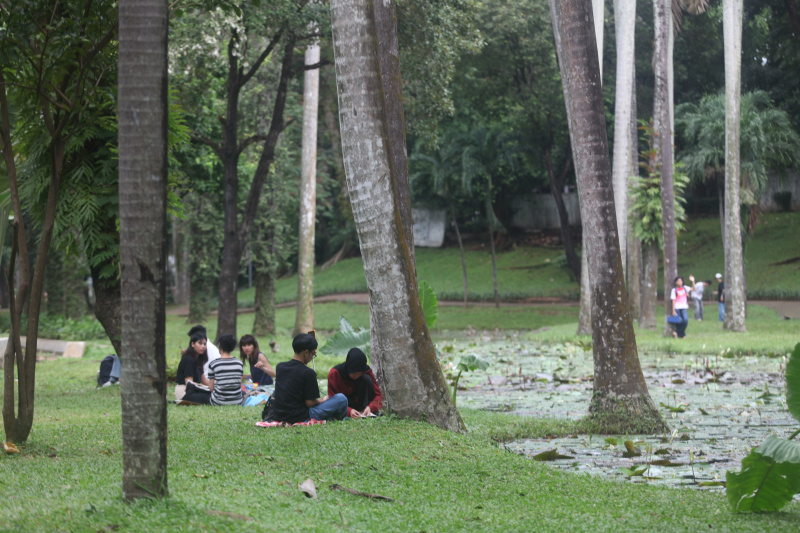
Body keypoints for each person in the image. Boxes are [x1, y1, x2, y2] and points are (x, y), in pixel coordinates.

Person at [266, 332, 348, 423]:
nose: (312, 357)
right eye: (313, 354)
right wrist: (322, 400)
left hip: (279, 415)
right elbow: (310, 403)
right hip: (300, 416)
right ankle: (335, 419)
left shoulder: (280, 367)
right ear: (306, 352)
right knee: (341, 398)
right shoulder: (308, 373)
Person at [327, 348, 382, 419]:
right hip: (344, 405)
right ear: (348, 368)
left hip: (361, 403)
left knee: (366, 378)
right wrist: (349, 411)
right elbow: (332, 401)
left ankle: (363, 411)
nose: (356, 376)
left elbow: (378, 395)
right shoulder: (334, 374)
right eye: (353, 373)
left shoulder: (366, 371)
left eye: (359, 374)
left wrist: (370, 407)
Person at [207, 334, 245, 406]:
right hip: (237, 401)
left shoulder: (213, 364)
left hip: (218, 402)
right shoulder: (239, 363)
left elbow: (211, 388)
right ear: (233, 348)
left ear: (219, 345)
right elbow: (239, 384)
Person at [175, 332, 211, 404]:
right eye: (200, 343)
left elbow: (204, 381)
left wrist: (216, 386)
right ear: (192, 344)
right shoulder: (189, 359)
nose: (203, 346)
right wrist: (205, 388)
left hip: (194, 390)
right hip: (185, 391)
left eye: (204, 344)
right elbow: (189, 382)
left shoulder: (199, 359)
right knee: (210, 397)